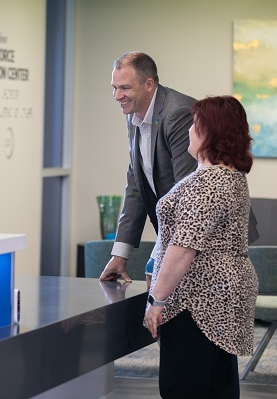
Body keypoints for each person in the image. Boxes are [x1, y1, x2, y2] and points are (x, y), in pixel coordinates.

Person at [100, 52, 258, 286]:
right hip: (184, 236)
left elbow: (187, 196)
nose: (117, 96)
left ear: (149, 85)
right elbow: (136, 184)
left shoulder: (177, 113)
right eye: (114, 88)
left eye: (124, 88)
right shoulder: (133, 114)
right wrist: (120, 254)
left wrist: (159, 258)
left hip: (210, 240)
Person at [143, 95, 258, 398]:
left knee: (183, 386)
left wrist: (156, 301)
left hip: (198, 299)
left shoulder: (206, 183)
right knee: (217, 385)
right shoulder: (232, 177)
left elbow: (183, 247)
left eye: (195, 125)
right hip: (225, 293)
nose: (190, 132)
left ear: (209, 133)